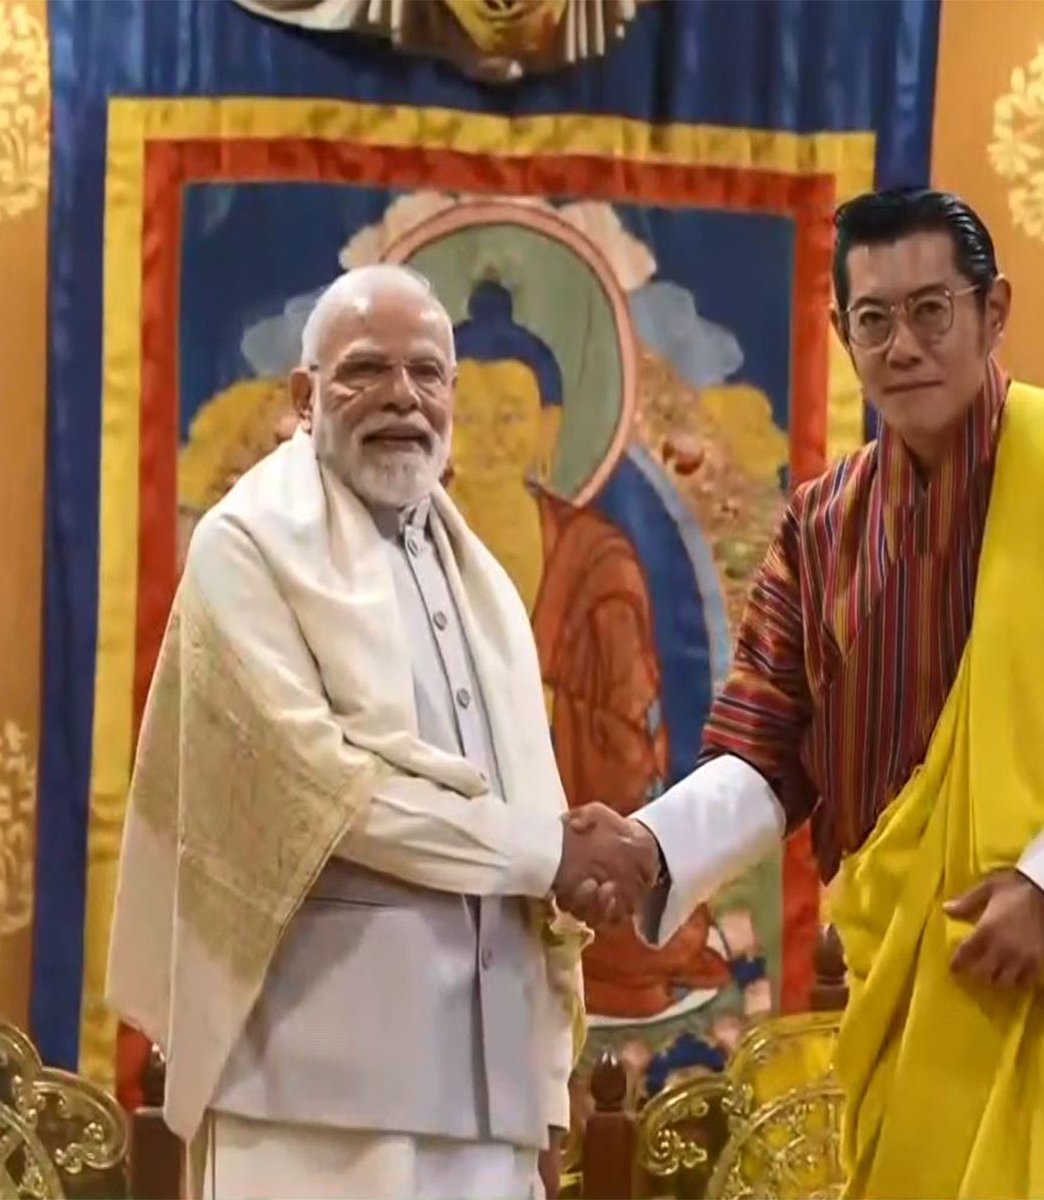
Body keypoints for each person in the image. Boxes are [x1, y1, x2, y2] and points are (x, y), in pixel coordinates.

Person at [571, 187, 1044, 1198]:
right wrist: (650, 847)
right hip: (917, 991)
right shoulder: (823, 528)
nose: (902, 345)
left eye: (930, 311)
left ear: (994, 312)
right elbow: (767, 749)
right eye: (873, 319)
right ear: (842, 334)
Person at [105, 264, 655, 1200]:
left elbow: (529, 805)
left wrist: (540, 1091)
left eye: (427, 372)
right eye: (366, 370)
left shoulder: (476, 575)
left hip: (488, 1108)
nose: (403, 395)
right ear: (305, 396)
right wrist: (552, 853)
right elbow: (327, 793)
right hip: (314, 1102)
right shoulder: (247, 547)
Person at [448, 278, 729, 1019]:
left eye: (509, 415)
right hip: (434, 842)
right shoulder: (396, 545)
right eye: (465, 414)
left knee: (632, 931)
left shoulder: (598, 558)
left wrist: (546, 709)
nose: (485, 435)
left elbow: (631, 741)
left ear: (550, 427)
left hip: (571, 840)